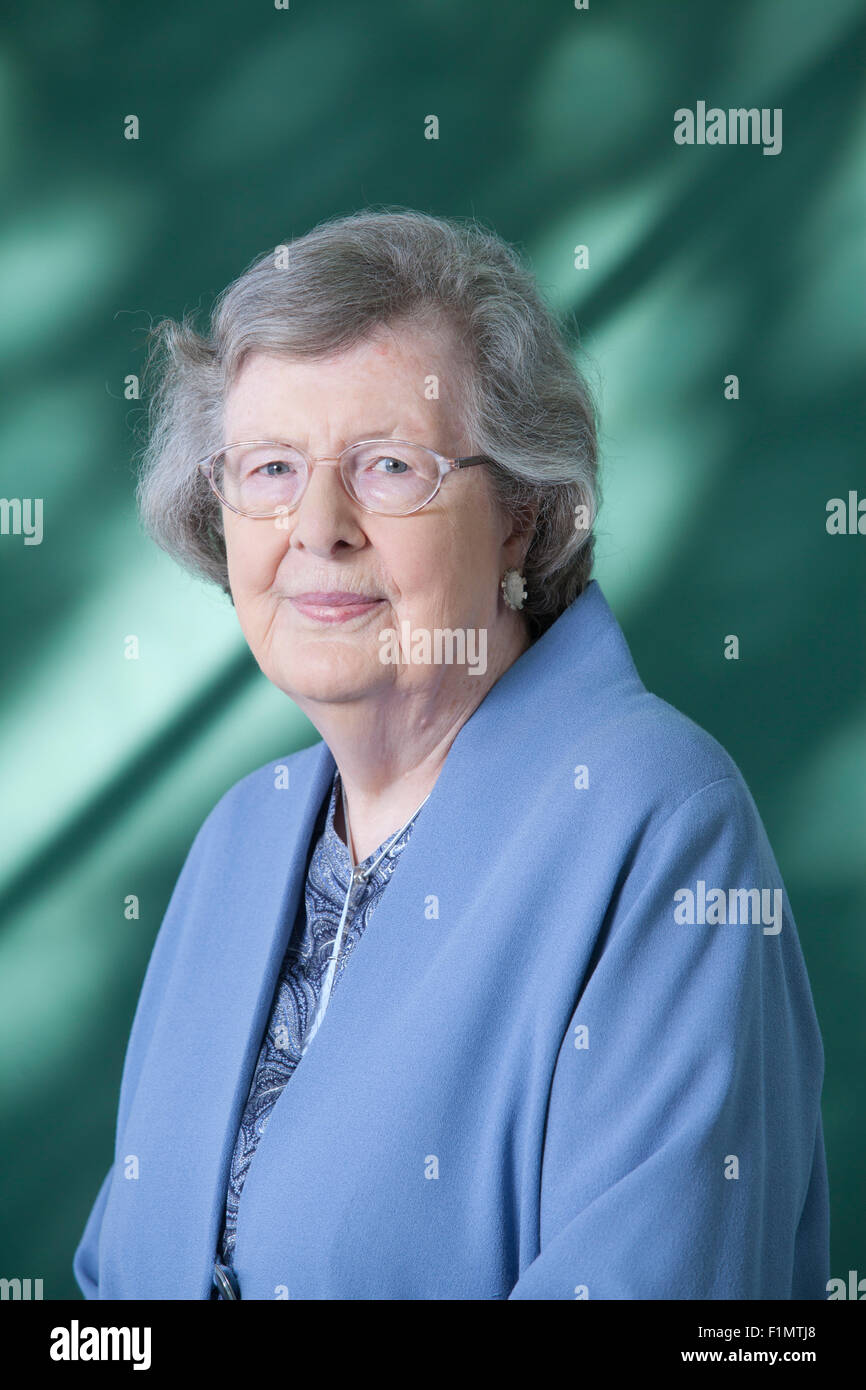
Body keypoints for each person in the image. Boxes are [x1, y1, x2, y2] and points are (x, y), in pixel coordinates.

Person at [73, 207, 829, 1300]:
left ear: (522, 512)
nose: (317, 525)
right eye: (270, 468)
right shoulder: (237, 838)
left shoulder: (660, 823)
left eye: (387, 465)